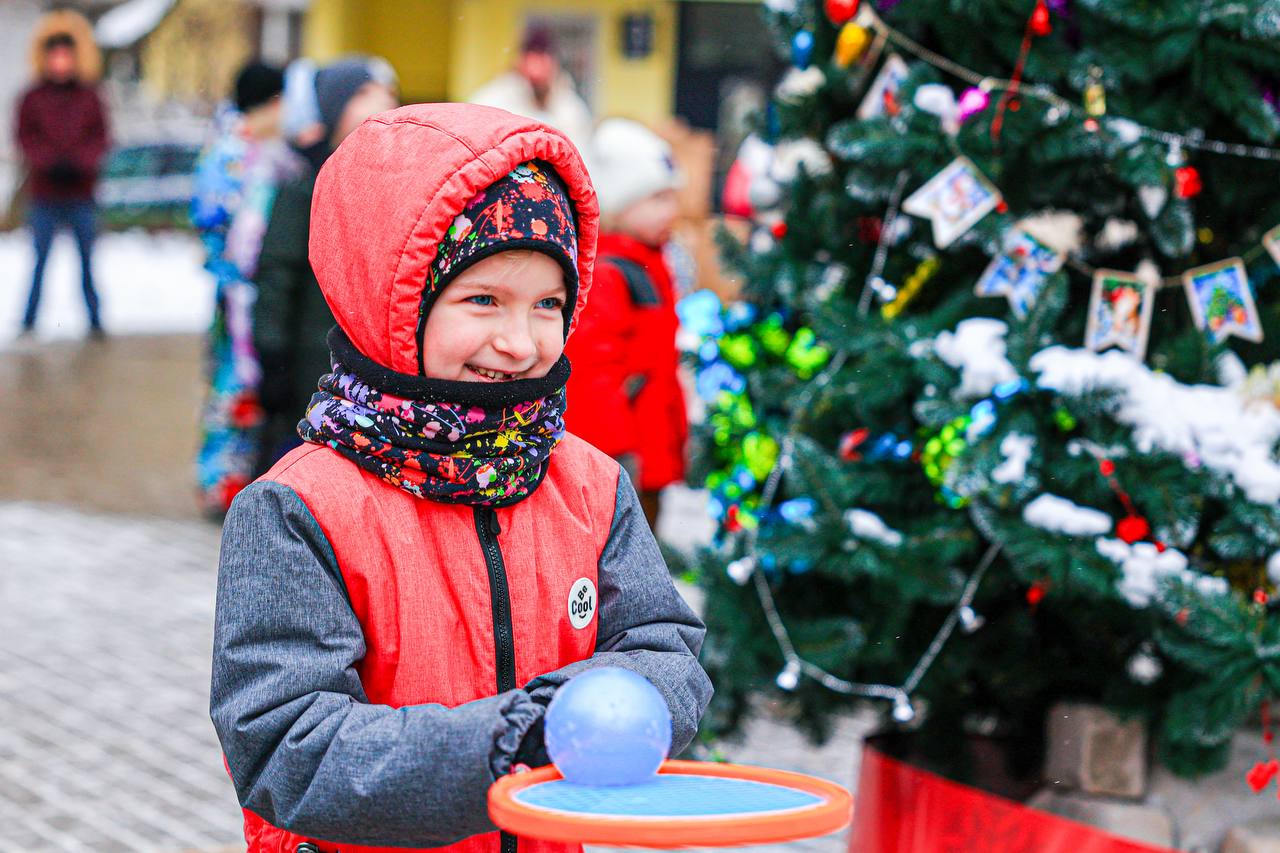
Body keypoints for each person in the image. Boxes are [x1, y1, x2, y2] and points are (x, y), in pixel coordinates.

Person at [210, 102, 711, 852]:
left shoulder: (590, 486)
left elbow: (662, 639)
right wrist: (510, 743)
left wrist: (625, 702)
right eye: (482, 299)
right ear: (395, 302)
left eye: (548, 304)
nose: (518, 341)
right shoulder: (299, 508)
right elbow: (289, 744)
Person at [252, 56, 398, 475]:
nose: (383, 101)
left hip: (369, 370)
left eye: (386, 92)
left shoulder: (393, 185)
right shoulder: (305, 183)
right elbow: (277, 273)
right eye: (365, 93)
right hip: (308, 360)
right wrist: (272, 354)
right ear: (336, 108)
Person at [191, 61, 302, 516]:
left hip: (238, 292)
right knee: (233, 386)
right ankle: (222, 484)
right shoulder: (237, 152)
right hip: (236, 294)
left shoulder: (247, 146)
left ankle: (226, 481)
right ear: (272, 102)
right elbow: (219, 223)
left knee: (234, 386)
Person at [565, 118, 687, 529]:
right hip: (624, 449)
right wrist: (616, 451)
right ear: (618, 205)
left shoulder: (653, 261)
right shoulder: (609, 270)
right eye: (655, 199)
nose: (671, 210)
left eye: (672, 197)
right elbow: (595, 369)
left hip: (652, 438)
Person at [15, 10, 109, 337]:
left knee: (87, 262)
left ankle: (96, 321)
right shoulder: (32, 98)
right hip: (45, 193)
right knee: (39, 262)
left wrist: (80, 163)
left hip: (80, 192)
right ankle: (28, 321)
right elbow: (25, 138)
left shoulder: (89, 96)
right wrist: (48, 162)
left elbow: (100, 138)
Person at [469, 25, 593, 150]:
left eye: (543, 58)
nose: (537, 68)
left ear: (554, 64)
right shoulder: (494, 98)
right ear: (520, 61)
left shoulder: (569, 107)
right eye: (532, 58)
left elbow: (580, 151)